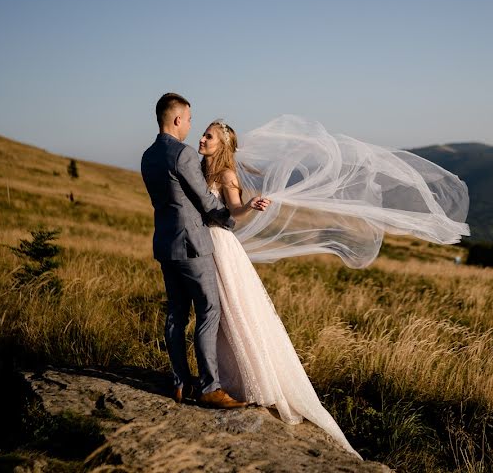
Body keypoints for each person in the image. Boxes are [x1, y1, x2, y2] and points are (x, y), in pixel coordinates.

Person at [195, 116, 469, 459]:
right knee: (217, 313)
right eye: (204, 134)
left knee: (230, 310)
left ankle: (241, 383)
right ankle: (220, 380)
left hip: (220, 244)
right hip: (204, 243)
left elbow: (234, 209)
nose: (202, 139)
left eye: (209, 136)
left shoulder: (225, 175)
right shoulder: (199, 169)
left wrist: (250, 205)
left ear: (222, 145)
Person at [140, 93, 269, 411]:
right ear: (177, 119)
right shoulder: (182, 155)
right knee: (209, 311)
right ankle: (210, 387)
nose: (192, 127)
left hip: (166, 244)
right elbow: (207, 202)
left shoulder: (147, 156)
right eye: (190, 119)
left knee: (176, 314)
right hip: (194, 245)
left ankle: (181, 381)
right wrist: (228, 222)